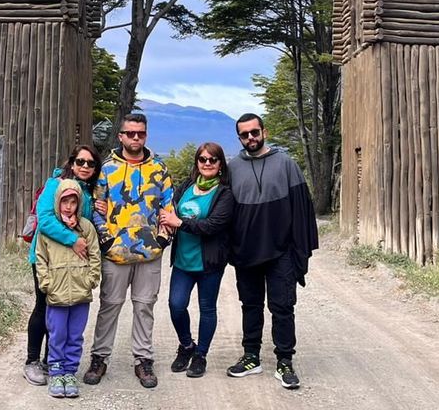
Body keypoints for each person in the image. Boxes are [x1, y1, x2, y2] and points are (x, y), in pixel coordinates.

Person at [225, 113, 319, 390]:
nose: (250, 138)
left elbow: (303, 210)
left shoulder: (286, 163)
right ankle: (251, 356)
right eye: (245, 134)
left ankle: (285, 361)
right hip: (247, 252)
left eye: (254, 132)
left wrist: (300, 251)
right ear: (239, 137)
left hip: (281, 252)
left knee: (282, 307)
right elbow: (223, 209)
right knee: (250, 305)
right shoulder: (233, 168)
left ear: (264, 131)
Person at [84, 112, 174, 389]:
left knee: (144, 307)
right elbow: (96, 208)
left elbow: (167, 209)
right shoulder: (107, 169)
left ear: (146, 135)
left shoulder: (159, 169)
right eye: (130, 133)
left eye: (141, 133)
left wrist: (161, 239)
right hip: (116, 253)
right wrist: (107, 240)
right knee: (109, 306)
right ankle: (99, 357)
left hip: (149, 254)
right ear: (121, 136)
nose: (136, 137)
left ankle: (143, 359)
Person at [24, 145, 102, 386]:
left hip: (74, 265)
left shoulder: (87, 193)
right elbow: (45, 220)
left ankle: (53, 360)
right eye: (81, 161)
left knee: (63, 315)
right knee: (44, 307)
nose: (85, 166)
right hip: (48, 259)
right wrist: (73, 241)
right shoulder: (54, 184)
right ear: (72, 162)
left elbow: (85, 225)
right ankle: (33, 361)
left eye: (91, 163)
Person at [158, 142, 234, 378]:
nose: (207, 163)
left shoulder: (224, 194)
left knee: (207, 308)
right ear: (197, 163)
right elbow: (168, 210)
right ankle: (186, 345)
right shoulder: (187, 187)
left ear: (220, 164)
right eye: (203, 159)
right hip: (183, 260)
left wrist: (179, 223)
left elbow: (212, 226)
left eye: (213, 160)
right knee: (176, 305)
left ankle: (200, 355)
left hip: (209, 263)